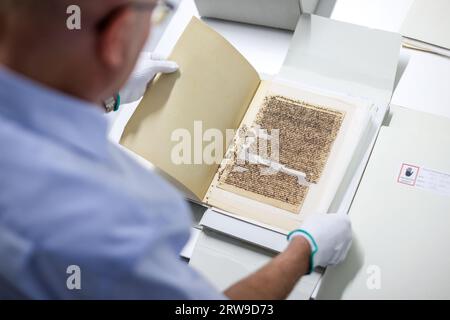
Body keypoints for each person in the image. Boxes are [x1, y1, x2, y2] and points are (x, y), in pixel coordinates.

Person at [0, 0, 352, 299]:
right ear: (117, 38)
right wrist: (303, 251)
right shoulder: (106, 223)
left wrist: (103, 97)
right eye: (150, 13)